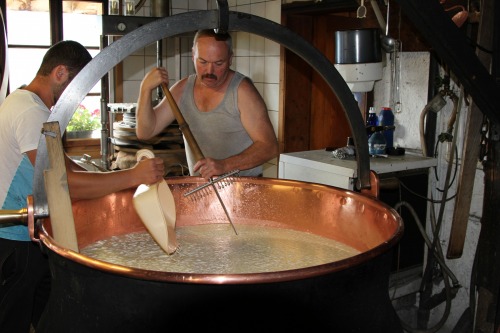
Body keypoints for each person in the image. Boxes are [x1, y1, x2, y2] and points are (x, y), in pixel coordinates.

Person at [0, 40, 165, 333]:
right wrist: (134, 176)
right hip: (15, 240)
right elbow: (62, 182)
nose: (76, 100)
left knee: (49, 313)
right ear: (60, 72)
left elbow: (64, 165)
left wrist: (115, 186)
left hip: (29, 236)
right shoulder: (30, 112)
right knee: (11, 318)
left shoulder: (25, 102)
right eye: (76, 87)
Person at [136, 29, 278, 179]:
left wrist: (224, 165)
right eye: (202, 62)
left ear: (230, 59)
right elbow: (145, 131)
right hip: (202, 189)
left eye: (218, 63)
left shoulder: (242, 92)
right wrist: (145, 89)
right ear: (193, 55)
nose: (209, 70)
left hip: (243, 190)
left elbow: (269, 147)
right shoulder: (182, 89)